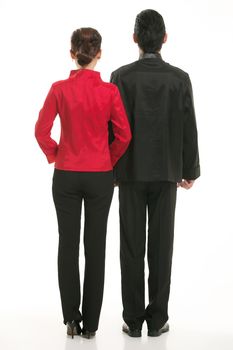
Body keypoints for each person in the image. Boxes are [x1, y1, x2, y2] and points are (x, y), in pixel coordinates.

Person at [35, 27, 131, 339]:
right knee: (95, 248)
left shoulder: (59, 89)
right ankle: (91, 324)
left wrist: (56, 154)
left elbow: (41, 131)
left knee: (67, 244)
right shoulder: (109, 92)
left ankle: (70, 319)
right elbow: (125, 135)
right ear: (99, 54)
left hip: (66, 174)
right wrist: (108, 158)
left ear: (72, 54)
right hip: (100, 175)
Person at [110, 9, 200, 337]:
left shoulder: (120, 77)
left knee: (131, 246)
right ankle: (157, 319)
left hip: (130, 173)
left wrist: (112, 169)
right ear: (164, 38)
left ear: (135, 38)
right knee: (162, 247)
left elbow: (112, 129)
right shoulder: (180, 79)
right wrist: (190, 169)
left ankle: (132, 320)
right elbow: (189, 127)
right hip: (166, 174)